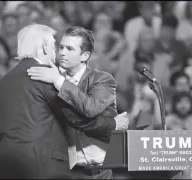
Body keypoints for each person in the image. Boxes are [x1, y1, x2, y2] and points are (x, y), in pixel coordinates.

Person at [0, 24, 128, 179]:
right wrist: (112, 125)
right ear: (45, 48)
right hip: (41, 165)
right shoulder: (45, 77)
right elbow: (76, 119)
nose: (58, 52)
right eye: (55, 46)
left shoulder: (0, 85)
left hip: (5, 164)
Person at [27, 26, 128, 179]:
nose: (62, 52)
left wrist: (59, 81)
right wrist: (111, 125)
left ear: (85, 55)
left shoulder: (102, 80)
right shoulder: (50, 82)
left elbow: (91, 109)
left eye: (69, 49)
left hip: (100, 172)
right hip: (65, 173)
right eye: (61, 47)